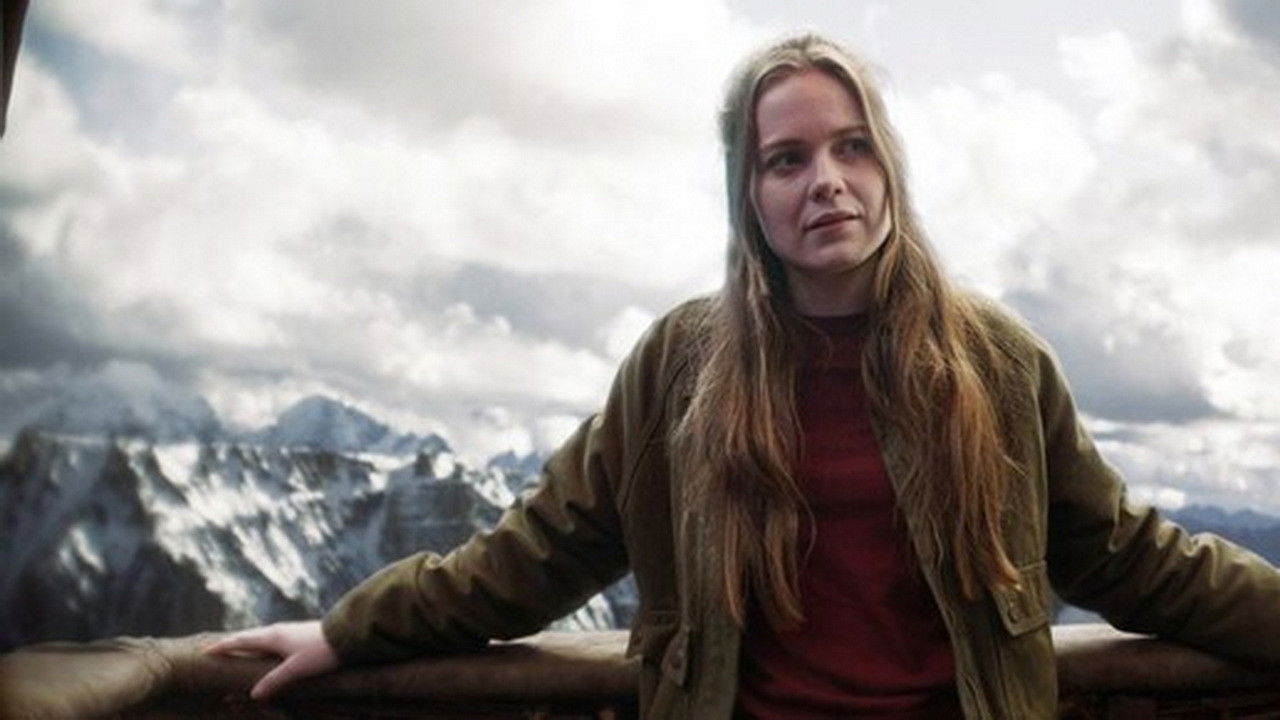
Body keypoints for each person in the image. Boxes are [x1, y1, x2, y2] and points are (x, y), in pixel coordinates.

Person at [207, 33, 1280, 719]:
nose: (827, 182)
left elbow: (1124, 554)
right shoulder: (681, 367)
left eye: (852, 148)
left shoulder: (995, 363)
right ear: (749, 196)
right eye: (786, 159)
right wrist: (348, 632)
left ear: (889, 169)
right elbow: (538, 553)